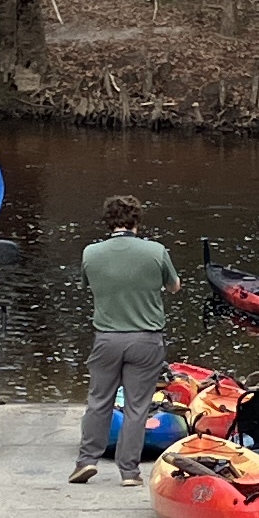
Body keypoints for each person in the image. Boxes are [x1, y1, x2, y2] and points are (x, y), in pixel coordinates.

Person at [74, 193, 177, 486]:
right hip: (146, 340)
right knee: (137, 406)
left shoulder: (91, 253)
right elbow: (174, 286)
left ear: (108, 221)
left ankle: (86, 461)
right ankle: (129, 472)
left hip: (106, 339)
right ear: (136, 221)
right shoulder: (156, 251)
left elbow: (87, 284)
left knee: (99, 401)